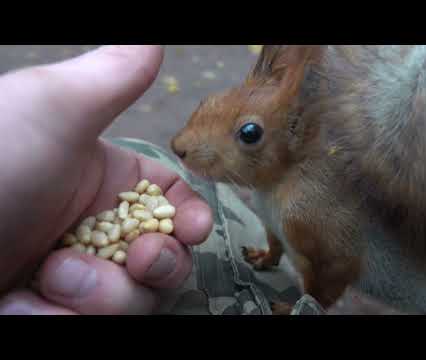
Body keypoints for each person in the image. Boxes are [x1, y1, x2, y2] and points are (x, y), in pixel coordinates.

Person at [0, 45, 400, 315]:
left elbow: (335, 267)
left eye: (247, 136)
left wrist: (310, 299)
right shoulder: (269, 192)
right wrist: (273, 253)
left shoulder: (303, 205)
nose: (180, 145)